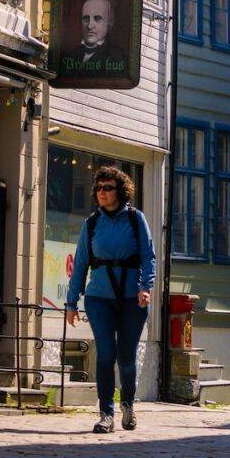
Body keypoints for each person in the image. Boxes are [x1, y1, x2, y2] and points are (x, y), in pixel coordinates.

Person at [66, 166, 156, 433]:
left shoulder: (135, 219)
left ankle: (128, 403)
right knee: (106, 353)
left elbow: (148, 256)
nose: (102, 193)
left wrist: (145, 286)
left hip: (133, 298)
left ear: (121, 191)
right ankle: (106, 413)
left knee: (126, 359)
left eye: (108, 188)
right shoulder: (91, 224)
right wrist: (71, 303)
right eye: (99, 188)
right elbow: (80, 264)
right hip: (99, 298)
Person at [61, 0, 125, 78]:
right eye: (86, 18)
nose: (90, 26)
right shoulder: (68, 55)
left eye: (97, 18)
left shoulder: (118, 57)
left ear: (109, 22)